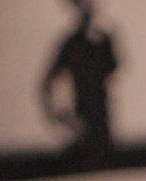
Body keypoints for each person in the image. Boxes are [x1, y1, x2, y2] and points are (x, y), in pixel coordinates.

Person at [40, 0, 119, 156]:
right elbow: (47, 83)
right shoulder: (71, 45)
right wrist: (64, 118)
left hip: (103, 125)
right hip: (83, 125)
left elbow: (113, 68)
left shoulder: (103, 42)